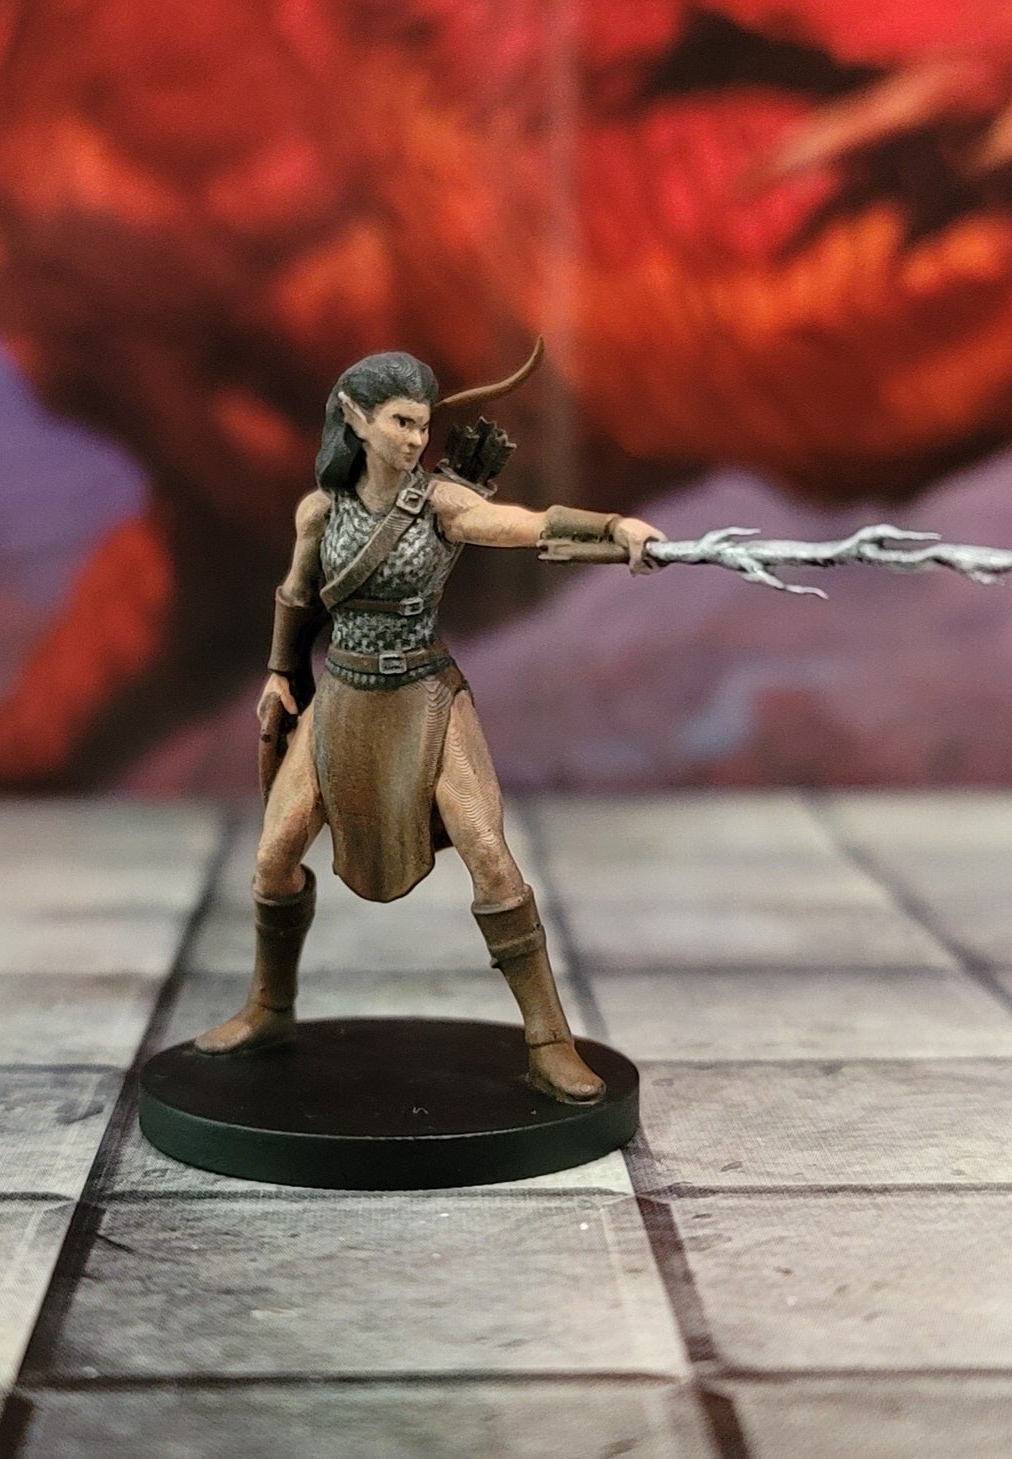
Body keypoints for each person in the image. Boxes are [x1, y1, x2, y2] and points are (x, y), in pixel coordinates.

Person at [193, 350, 663, 1104]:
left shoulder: (443, 503)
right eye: (401, 422)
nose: (416, 438)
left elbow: (519, 524)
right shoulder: (320, 512)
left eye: (422, 424)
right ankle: (269, 1008)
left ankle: (549, 1040)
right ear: (356, 417)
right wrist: (281, 671)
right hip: (342, 697)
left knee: (489, 854)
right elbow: (298, 592)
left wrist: (614, 529)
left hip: (425, 697)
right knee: (275, 856)